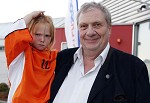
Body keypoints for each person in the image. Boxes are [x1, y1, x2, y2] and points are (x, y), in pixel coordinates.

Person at [49, 2, 150, 103]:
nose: (90, 32)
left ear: (109, 28)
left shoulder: (133, 68)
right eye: (84, 26)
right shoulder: (61, 59)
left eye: (97, 25)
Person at [3, 11, 57, 103]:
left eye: (47, 35)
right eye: (37, 34)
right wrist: (31, 15)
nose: (42, 39)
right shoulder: (20, 54)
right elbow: (13, 34)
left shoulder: (54, 57)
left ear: (51, 38)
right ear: (29, 33)